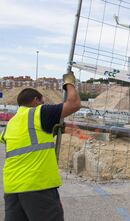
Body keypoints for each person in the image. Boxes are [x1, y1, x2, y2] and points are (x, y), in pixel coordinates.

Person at [0, 71, 81, 221]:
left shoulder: (11, 123)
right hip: (37, 186)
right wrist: (69, 82)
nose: (43, 104)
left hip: (12, 188)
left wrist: (51, 132)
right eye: (42, 102)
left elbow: (27, 141)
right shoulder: (39, 112)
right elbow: (74, 103)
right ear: (36, 101)